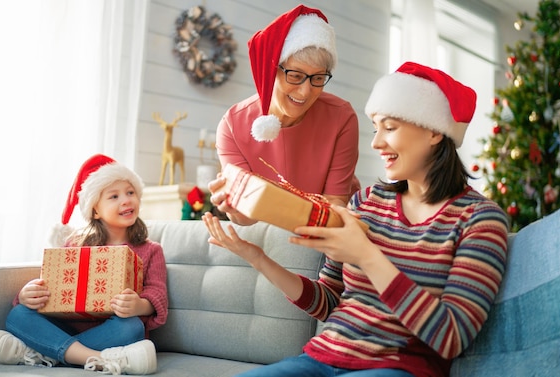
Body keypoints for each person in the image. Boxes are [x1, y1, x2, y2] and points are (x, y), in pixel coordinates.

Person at [202, 61, 509, 377]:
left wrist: (366, 255)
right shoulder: (366, 203)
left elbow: (451, 337)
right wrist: (257, 258)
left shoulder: (479, 220)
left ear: (433, 131)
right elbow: (329, 302)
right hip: (318, 361)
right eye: (375, 128)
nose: (376, 143)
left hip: (398, 368)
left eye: (389, 128)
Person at [0, 154, 168, 375]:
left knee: (133, 327)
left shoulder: (151, 249)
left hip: (113, 329)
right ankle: (99, 359)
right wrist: (27, 295)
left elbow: (157, 293)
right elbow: (52, 286)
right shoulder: (74, 245)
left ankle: (42, 354)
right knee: (18, 314)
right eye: (114, 196)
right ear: (95, 210)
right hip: (67, 325)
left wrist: (140, 305)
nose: (126, 200)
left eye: (131, 193)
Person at [210, 4, 360, 226]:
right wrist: (234, 208)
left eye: (318, 78)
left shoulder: (342, 117)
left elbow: (335, 203)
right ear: (273, 70)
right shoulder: (233, 125)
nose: (305, 91)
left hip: (329, 229)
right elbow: (246, 216)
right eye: (295, 75)